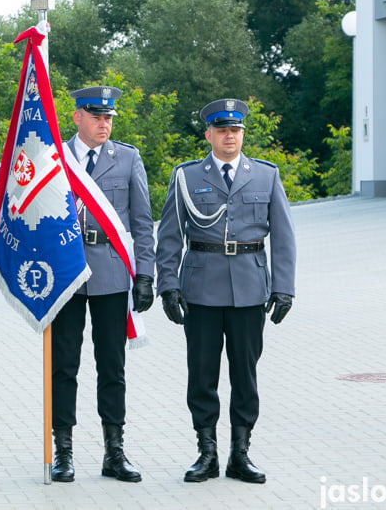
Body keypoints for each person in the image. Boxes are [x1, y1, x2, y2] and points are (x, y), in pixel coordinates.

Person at [155, 98, 296, 485]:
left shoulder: (266, 176)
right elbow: (169, 235)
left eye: (235, 130)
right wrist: (167, 284)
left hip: (250, 290)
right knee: (202, 376)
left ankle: (240, 453)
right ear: (209, 135)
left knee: (245, 376)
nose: (229, 136)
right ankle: (207, 452)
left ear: (242, 134)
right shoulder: (187, 177)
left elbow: (284, 237)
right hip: (200, 289)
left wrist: (284, 288)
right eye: (221, 130)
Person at [50, 86, 156, 483]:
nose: (104, 124)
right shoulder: (54, 157)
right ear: (77, 117)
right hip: (66, 273)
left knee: (112, 366)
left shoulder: (127, 158)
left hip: (112, 272)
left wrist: (145, 273)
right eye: (96, 116)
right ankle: (63, 452)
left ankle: (115, 451)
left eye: (109, 117)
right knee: (64, 365)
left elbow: (142, 222)